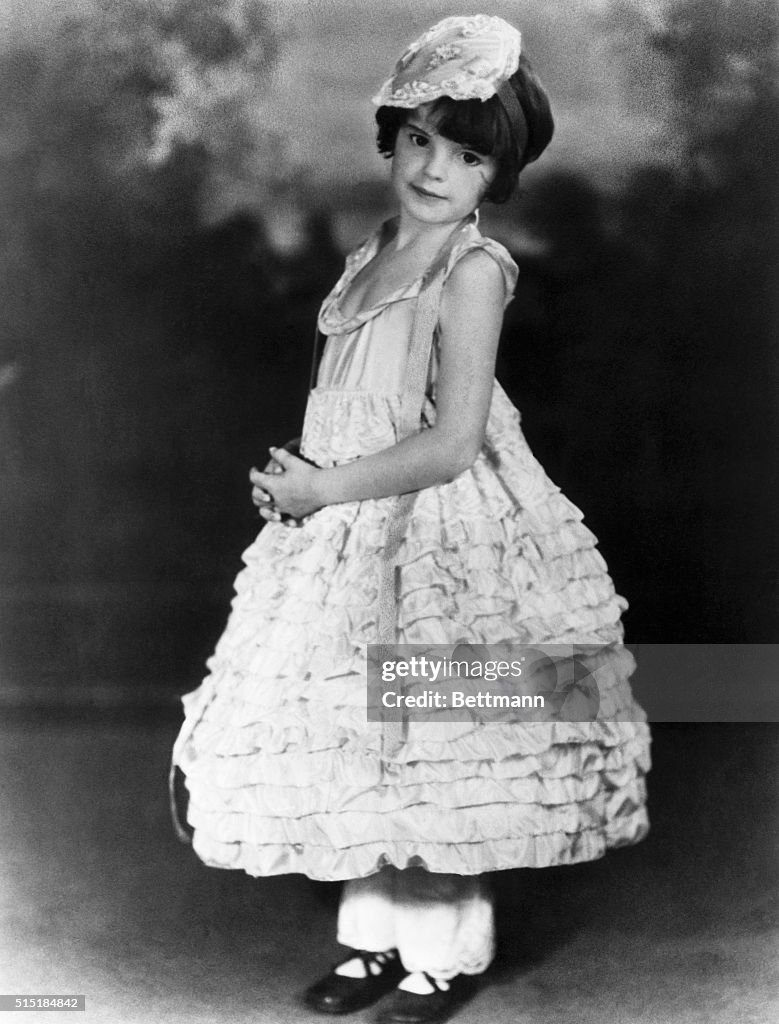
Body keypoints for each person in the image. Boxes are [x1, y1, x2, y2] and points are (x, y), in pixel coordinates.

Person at [170, 15, 651, 1024]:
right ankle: (373, 942)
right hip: (343, 524)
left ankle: (442, 954)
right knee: (357, 733)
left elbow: (445, 441)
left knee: (436, 730)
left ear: (496, 174)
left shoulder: (470, 273)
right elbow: (338, 408)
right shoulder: (366, 258)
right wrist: (295, 480)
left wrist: (327, 490)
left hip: (437, 528)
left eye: (468, 155)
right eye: (421, 140)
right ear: (389, 138)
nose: (436, 169)